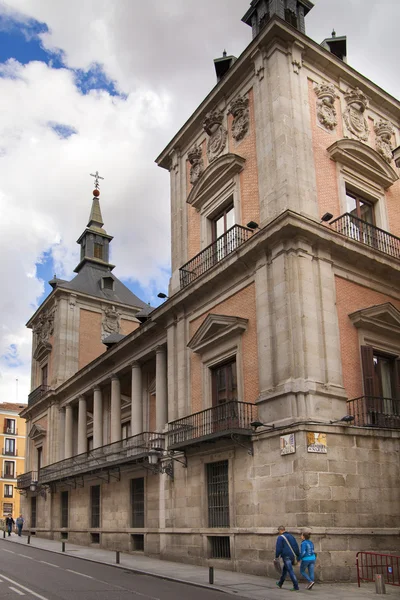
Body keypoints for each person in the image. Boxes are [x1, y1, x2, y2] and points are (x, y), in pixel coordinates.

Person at [275, 525, 300, 591]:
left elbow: (278, 548)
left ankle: (296, 586)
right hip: (292, 556)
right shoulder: (291, 536)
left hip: (286, 556)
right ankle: (280, 583)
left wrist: (277, 556)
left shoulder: (280, 537)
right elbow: (296, 546)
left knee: (290, 570)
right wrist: (298, 556)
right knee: (285, 570)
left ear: (280, 530)